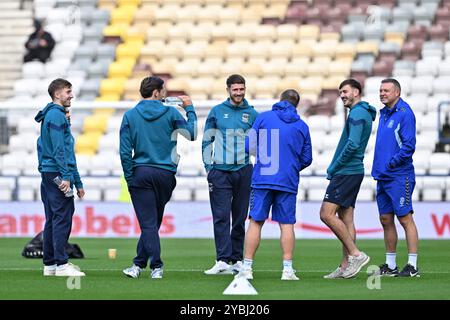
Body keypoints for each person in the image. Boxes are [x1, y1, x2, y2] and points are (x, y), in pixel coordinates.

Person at [120, 76, 197, 279]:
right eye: (163, 91)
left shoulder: (130, 115)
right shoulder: (171, 112)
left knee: (148, 224)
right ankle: (137, 265)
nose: (165, 94)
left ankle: (156, 266)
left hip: (142, 172)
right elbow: (192, 133)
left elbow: (124, 151)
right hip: (165, 174)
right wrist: (189, 108)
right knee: (152, 223)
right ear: (156, 93)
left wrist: (130, 177)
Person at [236, 89, 312, 281]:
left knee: (255, 222)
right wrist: (291, 166)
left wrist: (263, 159)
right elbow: (307, 158)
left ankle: (247, 268)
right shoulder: (302, 126)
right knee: (286, 225)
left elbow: (248, 146)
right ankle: (287, 270)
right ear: (296, 104)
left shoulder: (263, 118)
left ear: (280, 100)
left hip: (263, 177)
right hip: (287, 180)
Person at [202, 74, 259, 275]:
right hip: (220, 171)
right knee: (220, 217)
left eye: (241, 89)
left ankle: (236, 260)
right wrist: (209, 167)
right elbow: (207, 140)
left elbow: (260, 142)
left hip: (244, 170)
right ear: (228, 90)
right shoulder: (217, 111)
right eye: (235, 89)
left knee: (240, 218)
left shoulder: (252, 114)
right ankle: (222, 260)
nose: (239, 93)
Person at [320, 79, 376, 279]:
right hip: (353, 171)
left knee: (326, 214)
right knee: (346, 219)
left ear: (356, 92)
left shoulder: (358, 113)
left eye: (345, 91)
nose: (342, 95)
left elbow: (352, 145)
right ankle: (345, 267)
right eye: (340, 92)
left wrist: (334, 167)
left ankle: (356, 254)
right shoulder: (361, 112)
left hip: (347, 171)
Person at [35, 78, 85, 277]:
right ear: (57, 94)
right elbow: (60, 150)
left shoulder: (53, 115)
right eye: (68, 91)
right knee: (62, 218)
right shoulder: (56, 116)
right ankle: (62, 265)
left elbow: (46, 146)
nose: (71, 95)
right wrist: (66, 177)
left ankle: (50, 265)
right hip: (57, 173)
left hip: (50, 172)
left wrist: (78, 181)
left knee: (52, 219)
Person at [371, 78, 419, 277]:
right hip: (383, 177)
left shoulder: (404, 114)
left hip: (400, 176)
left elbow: (409, 146)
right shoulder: (383, 114)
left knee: (405, 218)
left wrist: (391, 163)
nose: (382, 93)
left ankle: (413, 265)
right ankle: (391, 266)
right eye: (381, 90)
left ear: (397, 92)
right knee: (385, 219)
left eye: (386, 90)